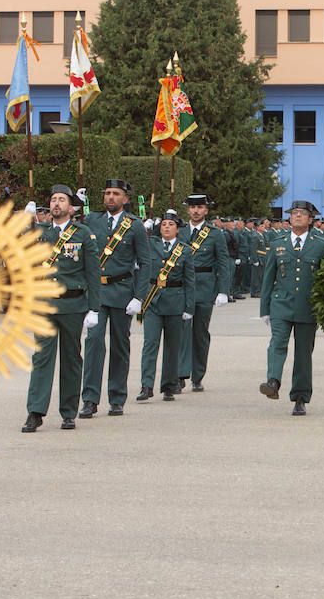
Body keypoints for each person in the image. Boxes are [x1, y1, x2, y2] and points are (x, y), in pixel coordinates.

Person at [23, 186, 100, 432]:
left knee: (70, 358)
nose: (56, 204)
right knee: (41, 358)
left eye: (62, 200)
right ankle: (35, 412)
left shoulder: (83, 234)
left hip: (72, 304)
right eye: (53, 199)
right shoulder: (40, 232)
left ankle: (68, 412)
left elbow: (93, 273)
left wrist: (94, 308)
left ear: (71, 207)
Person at [82, 178, 149, 418]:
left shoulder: (135, 225)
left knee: (120, 346)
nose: (110, 197)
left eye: (116, 193)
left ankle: (117, 397)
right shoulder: (92, 221)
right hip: (97, 294)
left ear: (125, 199)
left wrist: (139, 297)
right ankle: (89, 398)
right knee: (94, 344)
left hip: (122, 291)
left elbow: (145, 262)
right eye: (108, 193)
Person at [259, 200, 324, 415]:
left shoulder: (321, 244)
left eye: (302, 213)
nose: (297, 216)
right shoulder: (278, 241)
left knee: (303, 353)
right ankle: (273, 381)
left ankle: (300, 397)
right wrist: (265, 309)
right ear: (290, 218)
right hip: (281, 303)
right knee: (277, 343)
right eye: (294, 213)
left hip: (308, 306)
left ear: (310, 219)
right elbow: (268, 276)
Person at [138, 211, 195, 402]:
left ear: (178, 229)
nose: (167, 227)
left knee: (172, 346)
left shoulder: (184, 249)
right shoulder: (150, 244)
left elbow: (190, 280)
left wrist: (189, 307)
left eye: (171, 224)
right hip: (153, 301)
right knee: (150, 344)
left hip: (175, 301)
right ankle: (146, 385)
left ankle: (169, 385)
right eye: (163, 224)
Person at [179, 193, 231, 393]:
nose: (195, 211)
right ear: (187, 210)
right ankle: (180, 373)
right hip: (181, 287)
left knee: (200, 333)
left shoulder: (215, 233)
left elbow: (223, 263)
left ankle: (197, 375)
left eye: (200, 207)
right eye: (192, 207)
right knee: (181, 332)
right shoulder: (180, 231)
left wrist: (223, 291)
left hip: (204, 287)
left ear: (206, 210)